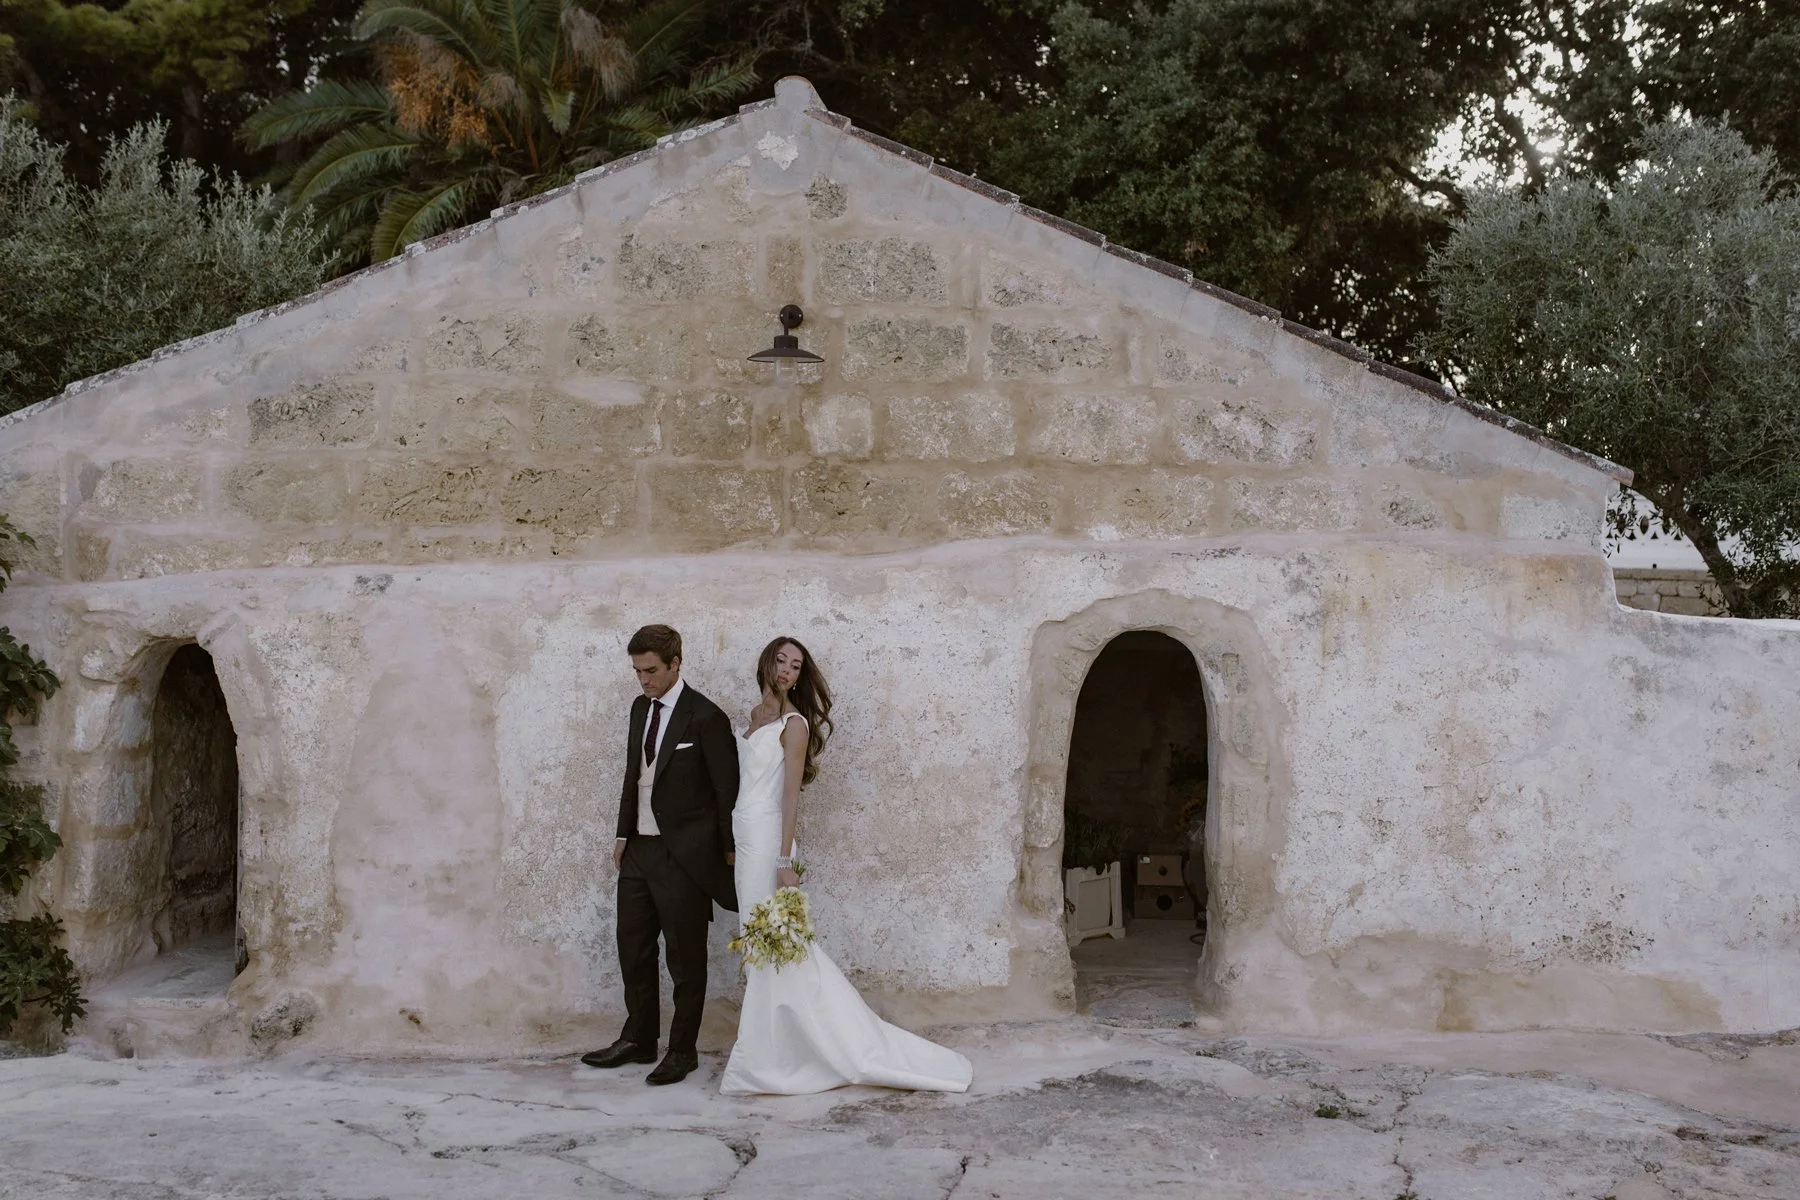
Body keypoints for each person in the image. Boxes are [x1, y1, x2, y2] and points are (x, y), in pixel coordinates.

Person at [720, 637, 973, 1096]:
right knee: (765, 947)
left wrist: (783, 860)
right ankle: (777, 1050)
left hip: (768, 840)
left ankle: (783, 1055)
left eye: (796, 666)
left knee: (778, 944)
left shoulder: (793, 725)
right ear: (766, 663)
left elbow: (790, 796)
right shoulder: (755, 718)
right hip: (745, 837)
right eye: (781, 661)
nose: (787, 671)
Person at [582, 624, 739, 1086]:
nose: (643, 680)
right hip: (638, 851)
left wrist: (727, 852)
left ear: (676, 664)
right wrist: (622, 834)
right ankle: (638, 1039)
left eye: (651, 670)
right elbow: (633, 773)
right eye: (637, 671)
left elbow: (725, 790)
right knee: (633, 948)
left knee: (685, 960)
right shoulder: (638, 708)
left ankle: (682, 1050)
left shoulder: (706, 717)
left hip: (683, 857)